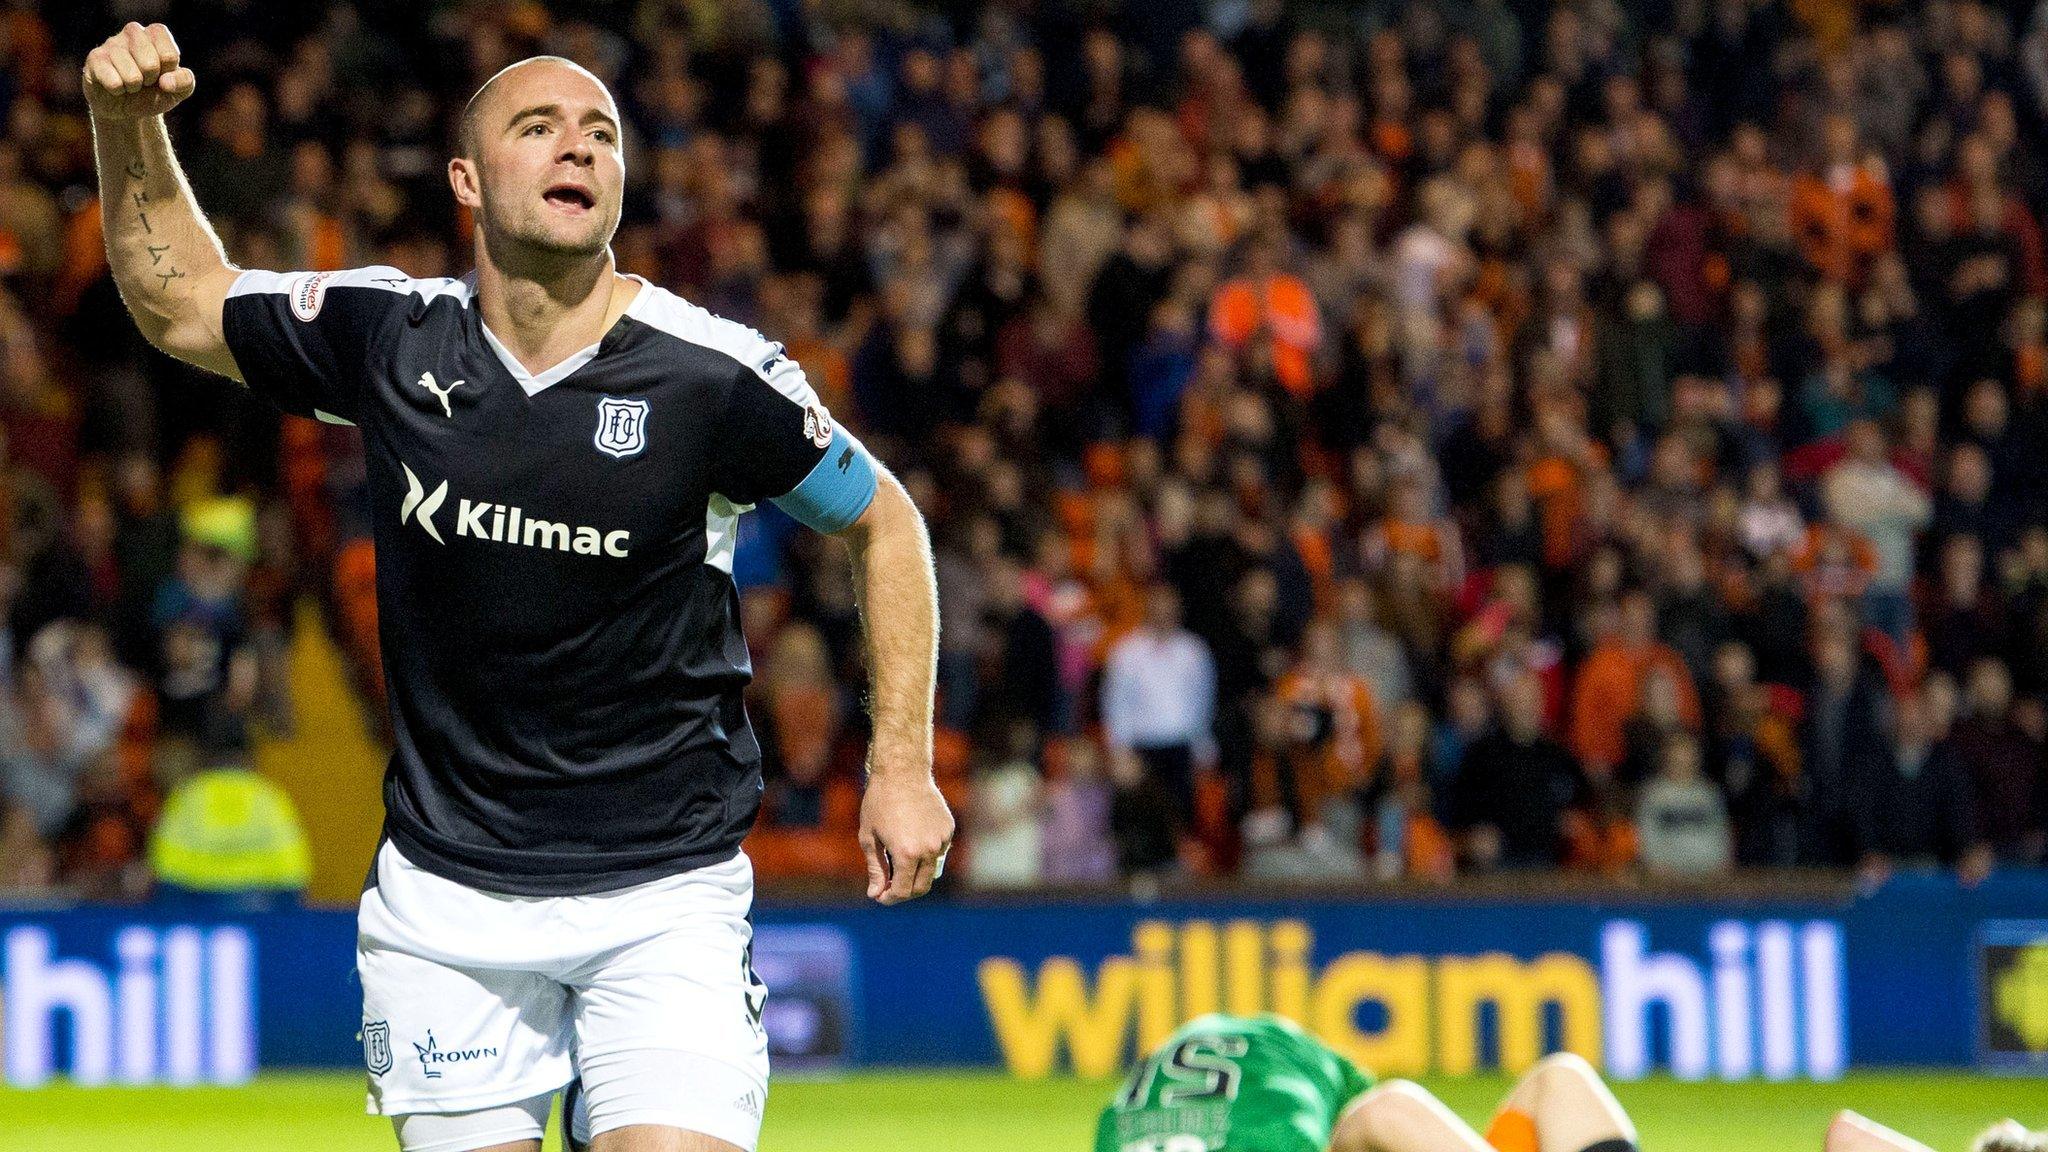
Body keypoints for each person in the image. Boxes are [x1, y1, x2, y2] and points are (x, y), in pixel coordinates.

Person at [83, 23, 953, 1152]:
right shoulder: (389, 338)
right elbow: (179, 300)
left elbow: (885, 519)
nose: (576, 149)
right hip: (449, 905)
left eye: (599, 134)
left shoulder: (711, 377)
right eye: (536, 128)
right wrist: (126, 122)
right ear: (464, 180)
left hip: (664, 895)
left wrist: (899, 765)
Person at [1094, 1012, 1638, 1152]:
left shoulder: (1115, 1124)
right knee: (1564, 1081)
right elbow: (1381, 1112)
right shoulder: (1287, 1106)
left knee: (1562, 1079)